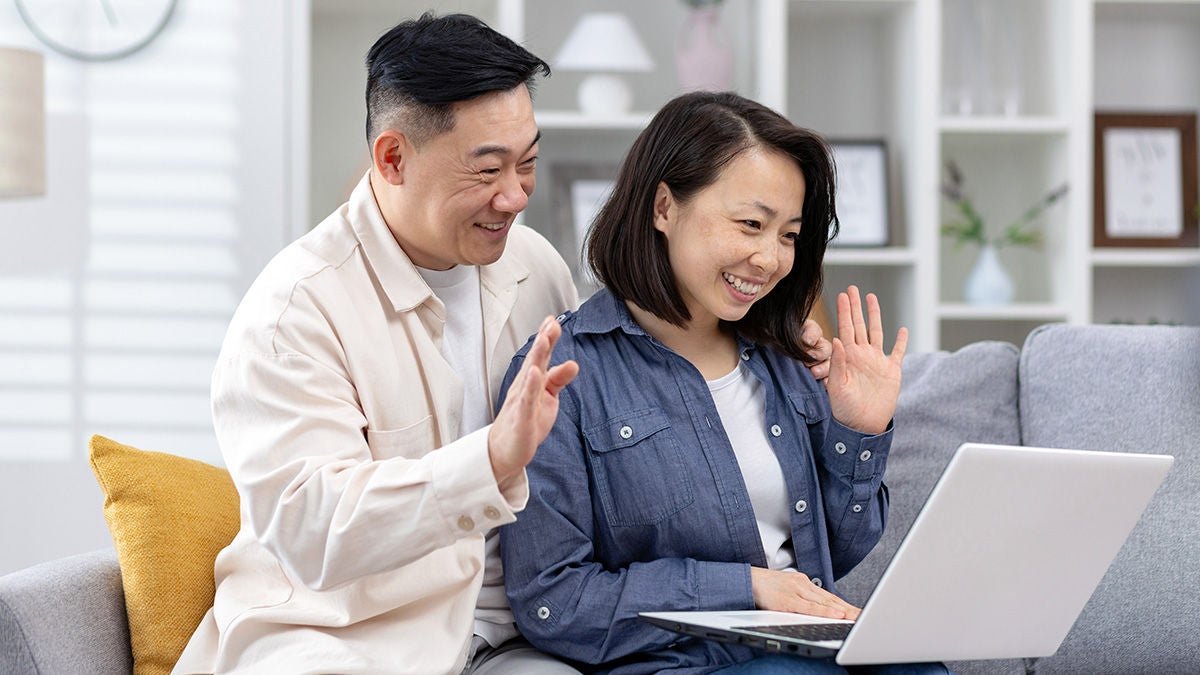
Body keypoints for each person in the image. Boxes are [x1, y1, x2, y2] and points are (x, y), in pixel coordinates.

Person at [172, 12, 834, 675]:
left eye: (529, 162)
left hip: (510, 640)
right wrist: (487, 460)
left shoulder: (534, 268)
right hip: (339, 636)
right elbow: (311, 533)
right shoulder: (295, 310)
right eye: (487, 170)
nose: (515, 195)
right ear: (393, 158)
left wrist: (775, 342)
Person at [499, 91, 944, 675]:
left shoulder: (787, 358)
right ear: (664, 207)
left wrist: (858, 428)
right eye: (751, 225)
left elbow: (836, 554)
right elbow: (554, 601)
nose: (769, 259)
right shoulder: (568, 374)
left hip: (810, 650)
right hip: (685, 665)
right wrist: (745, 587)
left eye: (788, 235)